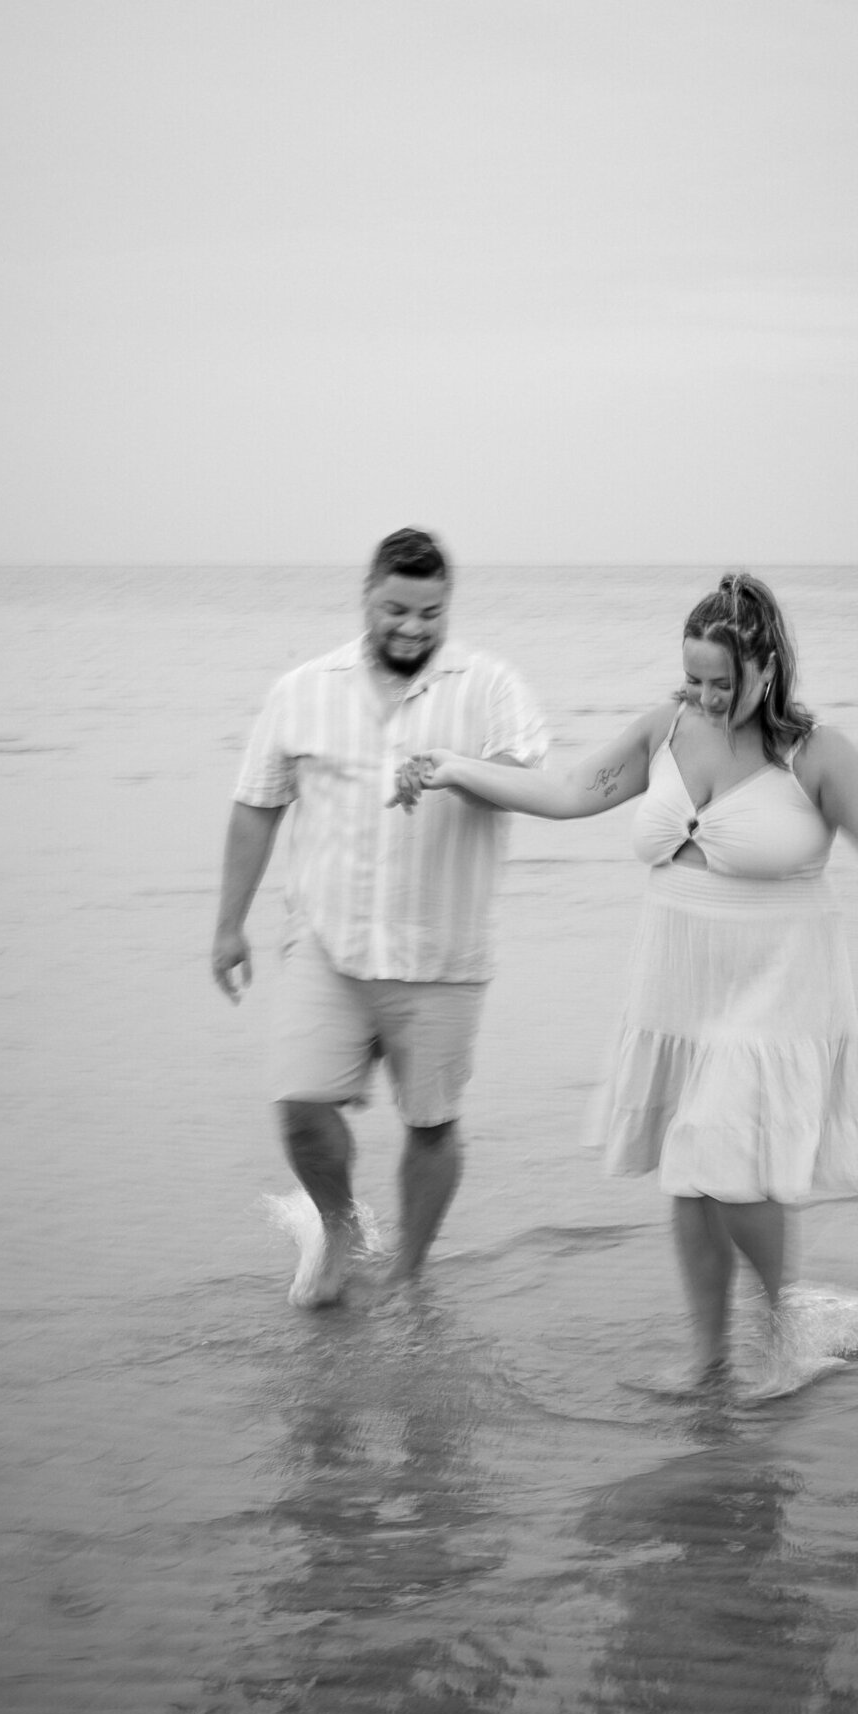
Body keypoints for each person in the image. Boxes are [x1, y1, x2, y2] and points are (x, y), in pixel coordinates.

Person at [394, 572, 858, 1389]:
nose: (704, 696)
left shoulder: (817, 757)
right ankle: (709, 1360)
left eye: (722, 682)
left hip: (777, 985)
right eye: (692, 678)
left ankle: (781, 1318)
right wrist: (450, 766)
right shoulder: (666, 729)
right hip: (676, 982)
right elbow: (562, 793)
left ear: (768, 665)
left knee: (723, 1159)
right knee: (691, 1177)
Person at [213, 527, 547, 1306]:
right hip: (327, 946)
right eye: (397, 608)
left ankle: (408, 1276)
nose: (413, 627)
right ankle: (337, 1228)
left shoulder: (489, 686)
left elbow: (527, 774)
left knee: (431, 1125)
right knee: (299, 1108)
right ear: (366, 595)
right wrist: (228, 925)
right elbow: (256, 807)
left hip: (443, 954)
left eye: (431, 612)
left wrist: (452, 769)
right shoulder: (303, 690)